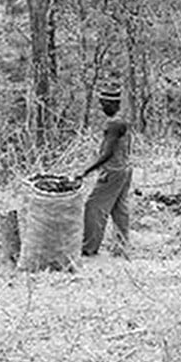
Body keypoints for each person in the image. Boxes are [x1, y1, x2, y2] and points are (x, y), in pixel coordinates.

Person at [77, 85, 133, 257]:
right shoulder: (121, 121)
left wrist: (85, 172)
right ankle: (121, 246)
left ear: (112, 104)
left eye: (104, 104)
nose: (102, 107)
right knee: (119, 208)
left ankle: (88, 248)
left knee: (93, 207)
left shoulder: (114, 124)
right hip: (125, 169)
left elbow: (107, 153)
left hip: (113, 171)